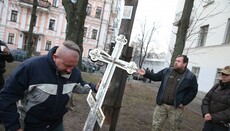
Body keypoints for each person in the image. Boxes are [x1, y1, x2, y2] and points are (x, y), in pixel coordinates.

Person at [0, 40, 99, 131]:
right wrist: (14, 127)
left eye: (73, 66)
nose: (70, 70)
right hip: (30, 125)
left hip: (56, 125)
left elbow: (78, 85)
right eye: (67, 65)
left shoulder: (74, 71)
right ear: (55, 57)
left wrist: (95, 87)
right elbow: (7, 96)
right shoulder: (30, 68)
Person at [137, 55, 198, 131]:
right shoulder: (167, 71)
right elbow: (155, 77)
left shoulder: (190, 76)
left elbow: (193, 91)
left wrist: (184, 102)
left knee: (174, 128)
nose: (175, 62)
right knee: (156, 127)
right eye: (175, 60)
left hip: (176, 108)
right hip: (161, 105)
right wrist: (146, 73)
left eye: (178, 61)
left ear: (185, 64)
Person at [201, 65, 230, 131]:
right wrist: (206, 113)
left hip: (222, 126)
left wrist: (213, 117)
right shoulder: (217, 86)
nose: (223, 76)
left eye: (227, 74)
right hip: (209, 122)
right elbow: (206, 100)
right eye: (222, 74)